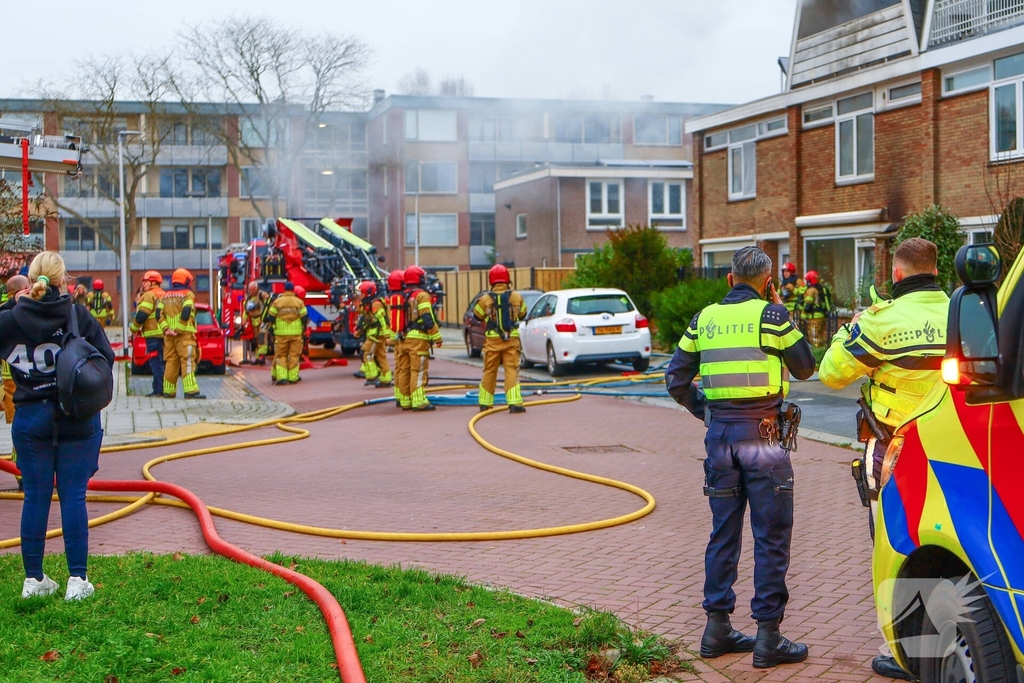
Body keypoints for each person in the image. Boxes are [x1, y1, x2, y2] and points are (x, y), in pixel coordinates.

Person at [665, 246, 816, 668]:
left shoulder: (703, 319)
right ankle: (768, 637)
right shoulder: (772, 317)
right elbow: (806, 368)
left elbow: (675, 380)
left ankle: (716, 630)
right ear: (768, 283)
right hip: (763, 437)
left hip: (721, 438)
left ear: (730, 279)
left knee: (723, 532)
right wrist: (783, 313)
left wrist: (709, 412)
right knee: (771, 535)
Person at [818, 237, 948, 682]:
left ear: (896, 274)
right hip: (956, 449)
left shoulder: (881, 322)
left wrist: (847, 328)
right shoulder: (963, 313)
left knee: (895, 546)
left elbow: (831, 373)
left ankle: (904, 652)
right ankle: (945, 645)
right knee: (948, 546)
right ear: (934, 268)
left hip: (895, 451)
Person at [0, 252, 113, 600]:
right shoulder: (78, 316)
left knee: (35, 495)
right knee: (73, 495)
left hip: (30, 418)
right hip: (76, 417)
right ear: (64, 281)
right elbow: (104, 360)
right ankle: (77, 581)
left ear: (31, 279)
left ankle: (34, 580)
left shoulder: (8, 321)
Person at [474, 264, 528, 413]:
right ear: (507, 279)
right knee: (511, 370)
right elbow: (523, 314)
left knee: (489, 370)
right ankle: (514, 403)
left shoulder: (485, 299)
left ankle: (485, 403)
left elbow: (477, 316)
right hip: (511, 340)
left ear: (491, 280)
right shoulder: (516, 296)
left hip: (492, 341)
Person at [1, 274, 30, 491]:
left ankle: (22, 473)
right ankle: (23, 473)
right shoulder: (23, 312)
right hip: (22, 381)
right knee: (24, 430)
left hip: (9, 382)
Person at [158, 268, 205, 400]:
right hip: (184, 335)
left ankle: (168, 391)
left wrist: (166, 329)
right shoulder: (188, 294)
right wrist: (178, 329)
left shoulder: (165, 295)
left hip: (168, 336)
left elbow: (158, 314)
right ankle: (191, 391)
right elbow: (186, 312)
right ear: (185, 280)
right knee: (187, 361)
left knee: (171, 362)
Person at [403, 265, 442, 411]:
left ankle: (406, 400)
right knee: (418, 371)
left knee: (405, 370)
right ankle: (419, 401)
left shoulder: (403, 294)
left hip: (404, 338)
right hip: (418, 339)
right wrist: (437, 336)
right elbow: (427, 317)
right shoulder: (422, 295)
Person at [130, 271, 166, 397]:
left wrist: (133, 328)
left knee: (155, 363)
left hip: (153, 335)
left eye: (145, 281)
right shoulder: (165, 294)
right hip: (165, 334)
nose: (143, 284)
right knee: (164, 363)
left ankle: (158, 390)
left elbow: (142, 315)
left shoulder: (149, 295)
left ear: (153, 282)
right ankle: (164, 389)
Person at [266, 282, 308, 386]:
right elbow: (304, 318)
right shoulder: (299, 302)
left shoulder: (277, 302)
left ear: (284, 290)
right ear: (293, 290)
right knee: (294, 355)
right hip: (296, 333)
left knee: (281, 355)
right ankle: (293, 378)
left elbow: (271, 317)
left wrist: (272, 328)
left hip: (281, 334)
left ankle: (282, 378)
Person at [355, 281, 392, 387]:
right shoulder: (368, 303)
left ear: (368, 293)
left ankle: (372, 376)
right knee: (380, 356)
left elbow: (382, 320)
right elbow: (366, 320)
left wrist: (387, 335)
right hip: (374, 333)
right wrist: (359, 330)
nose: (360, 296)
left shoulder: (376, 304)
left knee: (365, 353)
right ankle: (386, 379)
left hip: (377, 334)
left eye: (361, 293)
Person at [385, 270, 410, 409]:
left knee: (400, 369)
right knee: (406, 369)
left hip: (395, 338)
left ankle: (400, 396)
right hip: (401, 338)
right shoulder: (401, 299)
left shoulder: (391, 298)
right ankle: (406, 398)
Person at [241, 282, 271, 365]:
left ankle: (262, 357)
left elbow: (269, 305)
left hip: (262, 320)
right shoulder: (249, 298)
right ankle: (258, 358)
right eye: (250, 290)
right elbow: (246, 310)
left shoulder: (263, 295)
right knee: (256, 340)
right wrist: (244, 320)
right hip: (254, 322)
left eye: (253, 289)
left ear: (257, 288)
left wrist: (267, 317)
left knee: (262, 337)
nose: (251, 291)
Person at [801, 270, 832, 346]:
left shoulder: (811, 290)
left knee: (814, 337)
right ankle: (821, 349)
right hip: (821, 317)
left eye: (807, 281)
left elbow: (808, 306)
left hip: (813, 319)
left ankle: (816, 353)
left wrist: (803, 313)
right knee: (820, 336)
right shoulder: (821, 289)